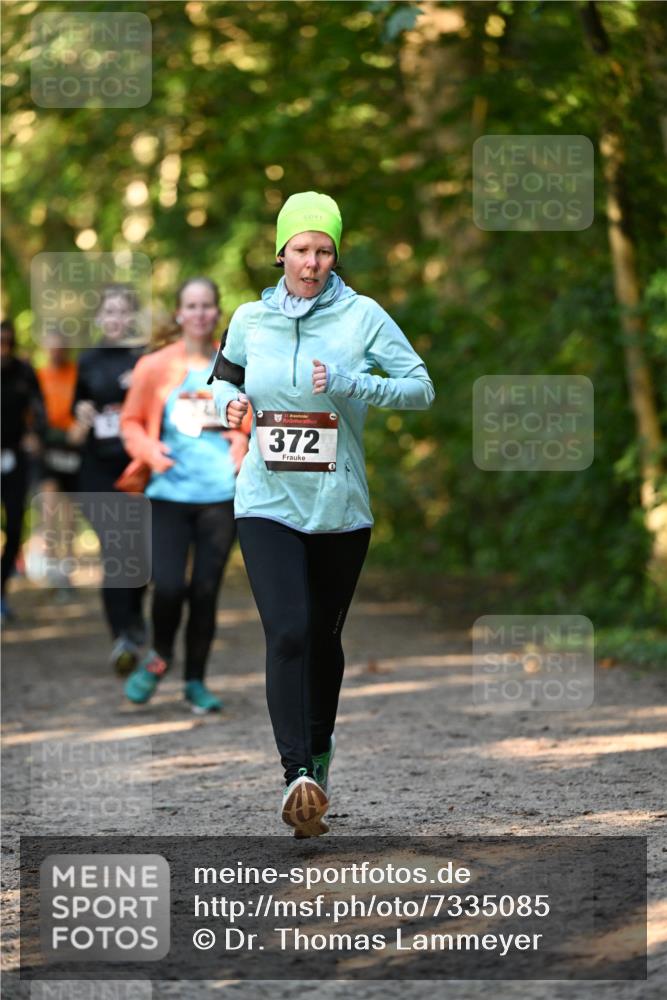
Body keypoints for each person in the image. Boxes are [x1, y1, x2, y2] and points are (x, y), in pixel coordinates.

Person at [210, 191, 435, 837]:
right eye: (301, 249)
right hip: (266, 502)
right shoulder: (250, 318)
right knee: (287, 631)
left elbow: (421, 387)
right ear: (280, 250)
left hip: (339, 507)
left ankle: (319, 752)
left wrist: (351, 380)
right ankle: (297, 776)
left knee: (323, 638)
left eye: (324, 250)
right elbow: (223, 377)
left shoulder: (362, 316)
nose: (311, 262)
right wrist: (226, 404)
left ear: (336, 255)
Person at [119, 277, 251, 714]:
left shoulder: (233, 363)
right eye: (190, 305)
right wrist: (148, 451)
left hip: (220, 495)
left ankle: (195, 680)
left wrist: (242, 442)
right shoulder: (154, 366)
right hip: (169, 494)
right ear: (179, 314)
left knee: (206, 591)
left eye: (206, 306)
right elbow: (131, 423)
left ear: (216, 313)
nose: (198, 313)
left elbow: (252, 417)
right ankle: (159, 657)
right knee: (170, 585)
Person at [71, 284, 146, 672]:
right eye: (109, 312)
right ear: (99, 319)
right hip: (97, 470)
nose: (116, 319)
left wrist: (140, 390)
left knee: (139, 552)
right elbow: (76, 413)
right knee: (116, 550)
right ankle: (121, 636)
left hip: (137, 468)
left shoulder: (145, 358)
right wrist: (82, 414)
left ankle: (134, 617)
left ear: (131, 317)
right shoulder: (87, 361)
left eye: (122, 312)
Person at [1, 319, 46, 622]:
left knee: (16, 524)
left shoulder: (23, 371)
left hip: (15, 459)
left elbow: (39, 409)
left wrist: (35, 434)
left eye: (7, 342)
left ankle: (1, 591)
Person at [36, 331, 83, 592]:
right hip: (48, 448)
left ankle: (66, 567)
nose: (56, 352)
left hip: (74, 447)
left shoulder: (76, 373)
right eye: (51, 348)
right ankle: (52, 566)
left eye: (60, 348)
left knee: (68, 513)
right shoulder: (39, 376)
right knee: (49, 507)